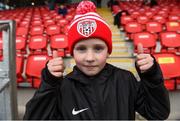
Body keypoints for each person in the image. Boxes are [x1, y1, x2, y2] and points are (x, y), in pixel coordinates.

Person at [23, 0, 170, 120]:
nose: (90, 58)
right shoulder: (62, 87)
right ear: (72, 52)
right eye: (81, 49)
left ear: (108, 51)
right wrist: (49, 83)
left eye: (98, 48)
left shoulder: (125, 80)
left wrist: (151, 76)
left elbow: (158, 113)